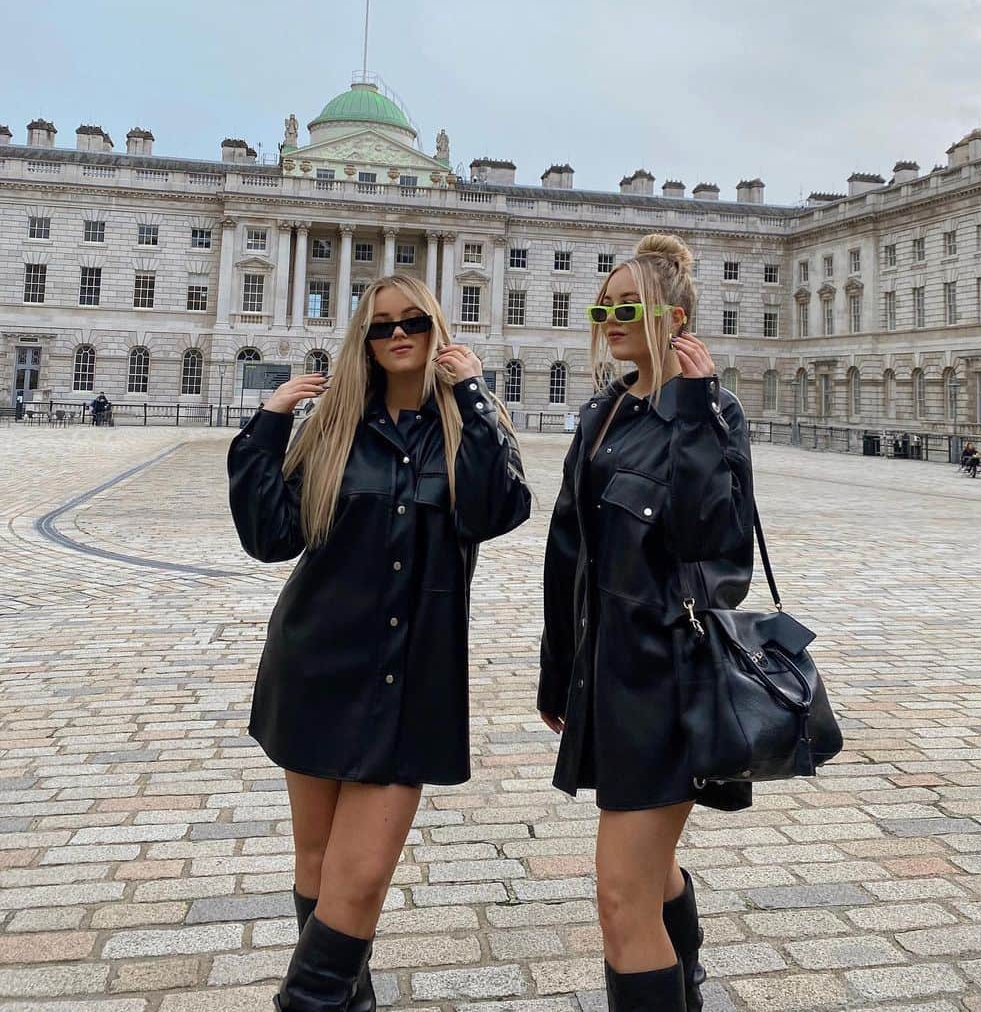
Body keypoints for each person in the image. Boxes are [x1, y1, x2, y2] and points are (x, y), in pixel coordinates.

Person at [228, 274, 530, 1011]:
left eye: (415, 322)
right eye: (380, 326)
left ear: (437, 328)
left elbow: (498, 508)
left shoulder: (465, 426)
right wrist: (268, 422)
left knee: (359, 880)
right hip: (314, 666)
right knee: (320, 860)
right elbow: (270, 536)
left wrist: (474, 395)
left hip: (409, 677)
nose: (398, 335)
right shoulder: (333, 428)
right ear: (363, 340)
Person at [537, 234, 755, 1012]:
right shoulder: (602, 412)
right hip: (606, 677)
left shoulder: (712, 410)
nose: (609, 317)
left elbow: (718, 552)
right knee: (650, 872)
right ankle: (685, 985)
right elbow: (570, 554)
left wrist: (695, 414)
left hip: (667, 680)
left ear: (677, 314)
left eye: (627, 304)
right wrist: (556, 667)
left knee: (620, 897)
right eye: (604, 305)